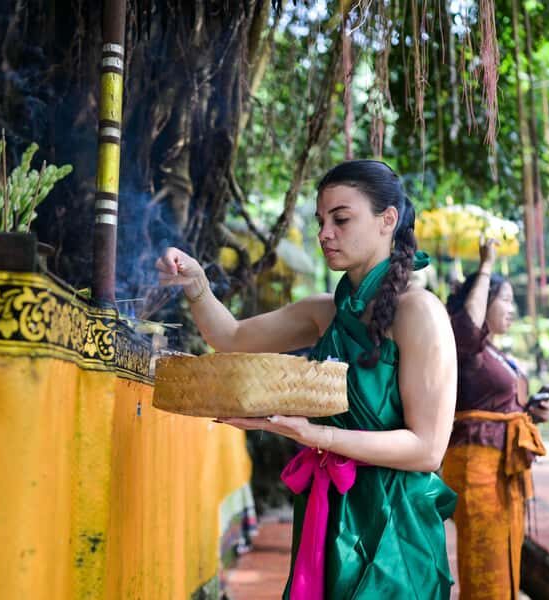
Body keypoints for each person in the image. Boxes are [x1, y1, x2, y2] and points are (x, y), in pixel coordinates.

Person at [156, 160, 458, 599]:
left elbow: (428, 450)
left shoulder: (421, 312)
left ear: (387, 220)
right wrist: (197, 284)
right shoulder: (325, 312)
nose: (324, 234)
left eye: (341, 219)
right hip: (328, 511)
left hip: (394, 523)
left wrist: (315, 434)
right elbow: (231, 337)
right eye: (321, 221)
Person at [441, 238, 549, 600]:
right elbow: (469, 330)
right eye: (505, 299)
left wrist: (529, 412)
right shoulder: (464, 341)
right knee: (484, 558)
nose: (513, 309)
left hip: (502, 467)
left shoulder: (494, 353)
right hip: (478, 467)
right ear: (483, 300)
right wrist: (486, 266)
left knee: (503, 554)